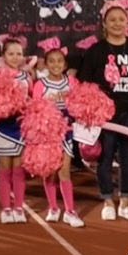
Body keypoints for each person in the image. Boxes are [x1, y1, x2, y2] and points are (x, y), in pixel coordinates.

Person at [79, 2, 128, 221]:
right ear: (104, 24)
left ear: (127, 22)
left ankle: (126, 201)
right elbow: (85, 83)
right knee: (106, 155)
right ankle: (108, 200)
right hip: (105, 113)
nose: (118, 23)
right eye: (113, 20)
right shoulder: (96, 50)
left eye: (121, 19)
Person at [33, 49, 84, 227]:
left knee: (64, 171)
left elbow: (80, 104)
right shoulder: (40, 85)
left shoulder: (72, 83)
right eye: (52, 61)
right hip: (47, 134)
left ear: (65, 64)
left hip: (67, 132)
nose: (56, 65)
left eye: (60, 61)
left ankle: (70, 211)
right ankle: (53, 207)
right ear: (46, 65)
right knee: (50, 171)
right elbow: (35, 109)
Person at [0, 40, 31, 224]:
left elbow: (32, 100)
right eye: (11, 54)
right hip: (3, 127)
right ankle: (6, 208)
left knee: (19, 170)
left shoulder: (26, 77)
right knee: (5, 168)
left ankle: (19, 207)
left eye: (19, 54)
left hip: (20, 127)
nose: (15, 58)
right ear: (3, 55)